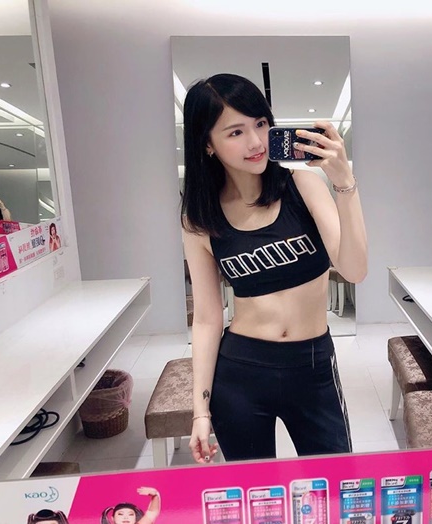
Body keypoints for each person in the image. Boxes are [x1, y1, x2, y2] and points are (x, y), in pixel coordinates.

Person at [181, 73, 367, 463]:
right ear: (207, 144)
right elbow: (208, 319)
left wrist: (345, 183)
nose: (256, 142)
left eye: (261, 124)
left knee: (334, 480)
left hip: (312, 364)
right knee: (254, 490)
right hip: (241, 371)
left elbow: (354, 271)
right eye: (235, 132)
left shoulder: (303, 185)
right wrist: (200, 411)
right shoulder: (200, 219)